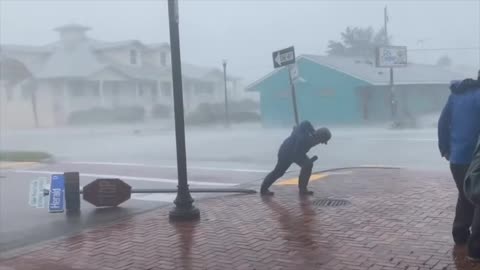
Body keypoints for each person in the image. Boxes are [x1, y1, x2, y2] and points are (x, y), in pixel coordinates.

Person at [438, 76, 480, 260]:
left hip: (456, 159)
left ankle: (460, 232)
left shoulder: (456, 95)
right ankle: (475, 249)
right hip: (474, 159)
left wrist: (445, 148)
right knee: (476, 198)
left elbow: (442, 122)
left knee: (465, 195)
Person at [260, 121, 331, 196]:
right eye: (322, 141)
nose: (322, 143)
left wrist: (302, 129)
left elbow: (305, 123)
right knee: (279, 172)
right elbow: (296, 151)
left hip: (298, 152)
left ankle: (303, 189)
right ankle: (264, 189)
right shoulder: (303, 138)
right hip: (286, 152)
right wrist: (297, 131)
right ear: (320, 136)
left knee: (308, 166)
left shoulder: (311, 134)